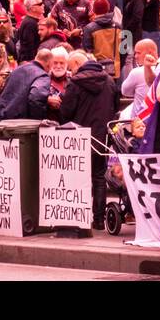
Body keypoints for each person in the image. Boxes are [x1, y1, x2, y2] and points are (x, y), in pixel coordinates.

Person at [60, 50, 117, 230]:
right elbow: (114, 107)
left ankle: (79, 216)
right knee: (99, 177)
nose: (70, 72)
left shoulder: (75, 84)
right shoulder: (109, 81)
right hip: (102, 137)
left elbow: (66, 113)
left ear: (77, 64)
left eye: (71, 68)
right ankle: (98, 220)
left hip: (79, 137)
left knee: (78, 178)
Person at [0, 46, 53, 120]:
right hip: (21, 125)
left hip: (1, 119)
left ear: (36, 57)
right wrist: (38, 122)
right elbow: (35, 98)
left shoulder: (16, 70)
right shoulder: (42, 75)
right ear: (49, 64)